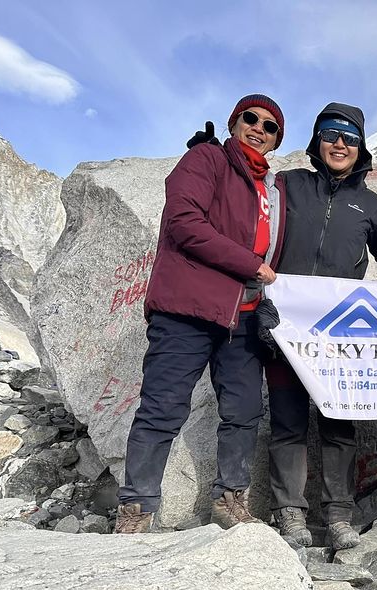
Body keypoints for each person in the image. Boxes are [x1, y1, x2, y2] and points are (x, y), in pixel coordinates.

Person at [189, 103, 377, 549]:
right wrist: (217, 164)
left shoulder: (371, 204)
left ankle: (338, 514)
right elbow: (245, 206)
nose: (339, 143)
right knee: (287, 421)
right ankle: (291, 513)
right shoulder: (286, 185)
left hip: (340, 336)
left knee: (338, 425)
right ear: (317, 141)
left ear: (361, 147)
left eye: (349, 136)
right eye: (330, 133)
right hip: (284, 327)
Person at [115, 94, 287, 534]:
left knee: (245, 411)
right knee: (162, 406)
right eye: (251, 118)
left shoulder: (270, 187)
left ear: (276, 140)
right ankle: (136, 508)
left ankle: (230, 499)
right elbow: (184, 223)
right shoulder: (206, 160)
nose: (259, 129)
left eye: (270, 126)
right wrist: (250, 265)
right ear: (235, 122)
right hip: (188, 310)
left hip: (245, 316)